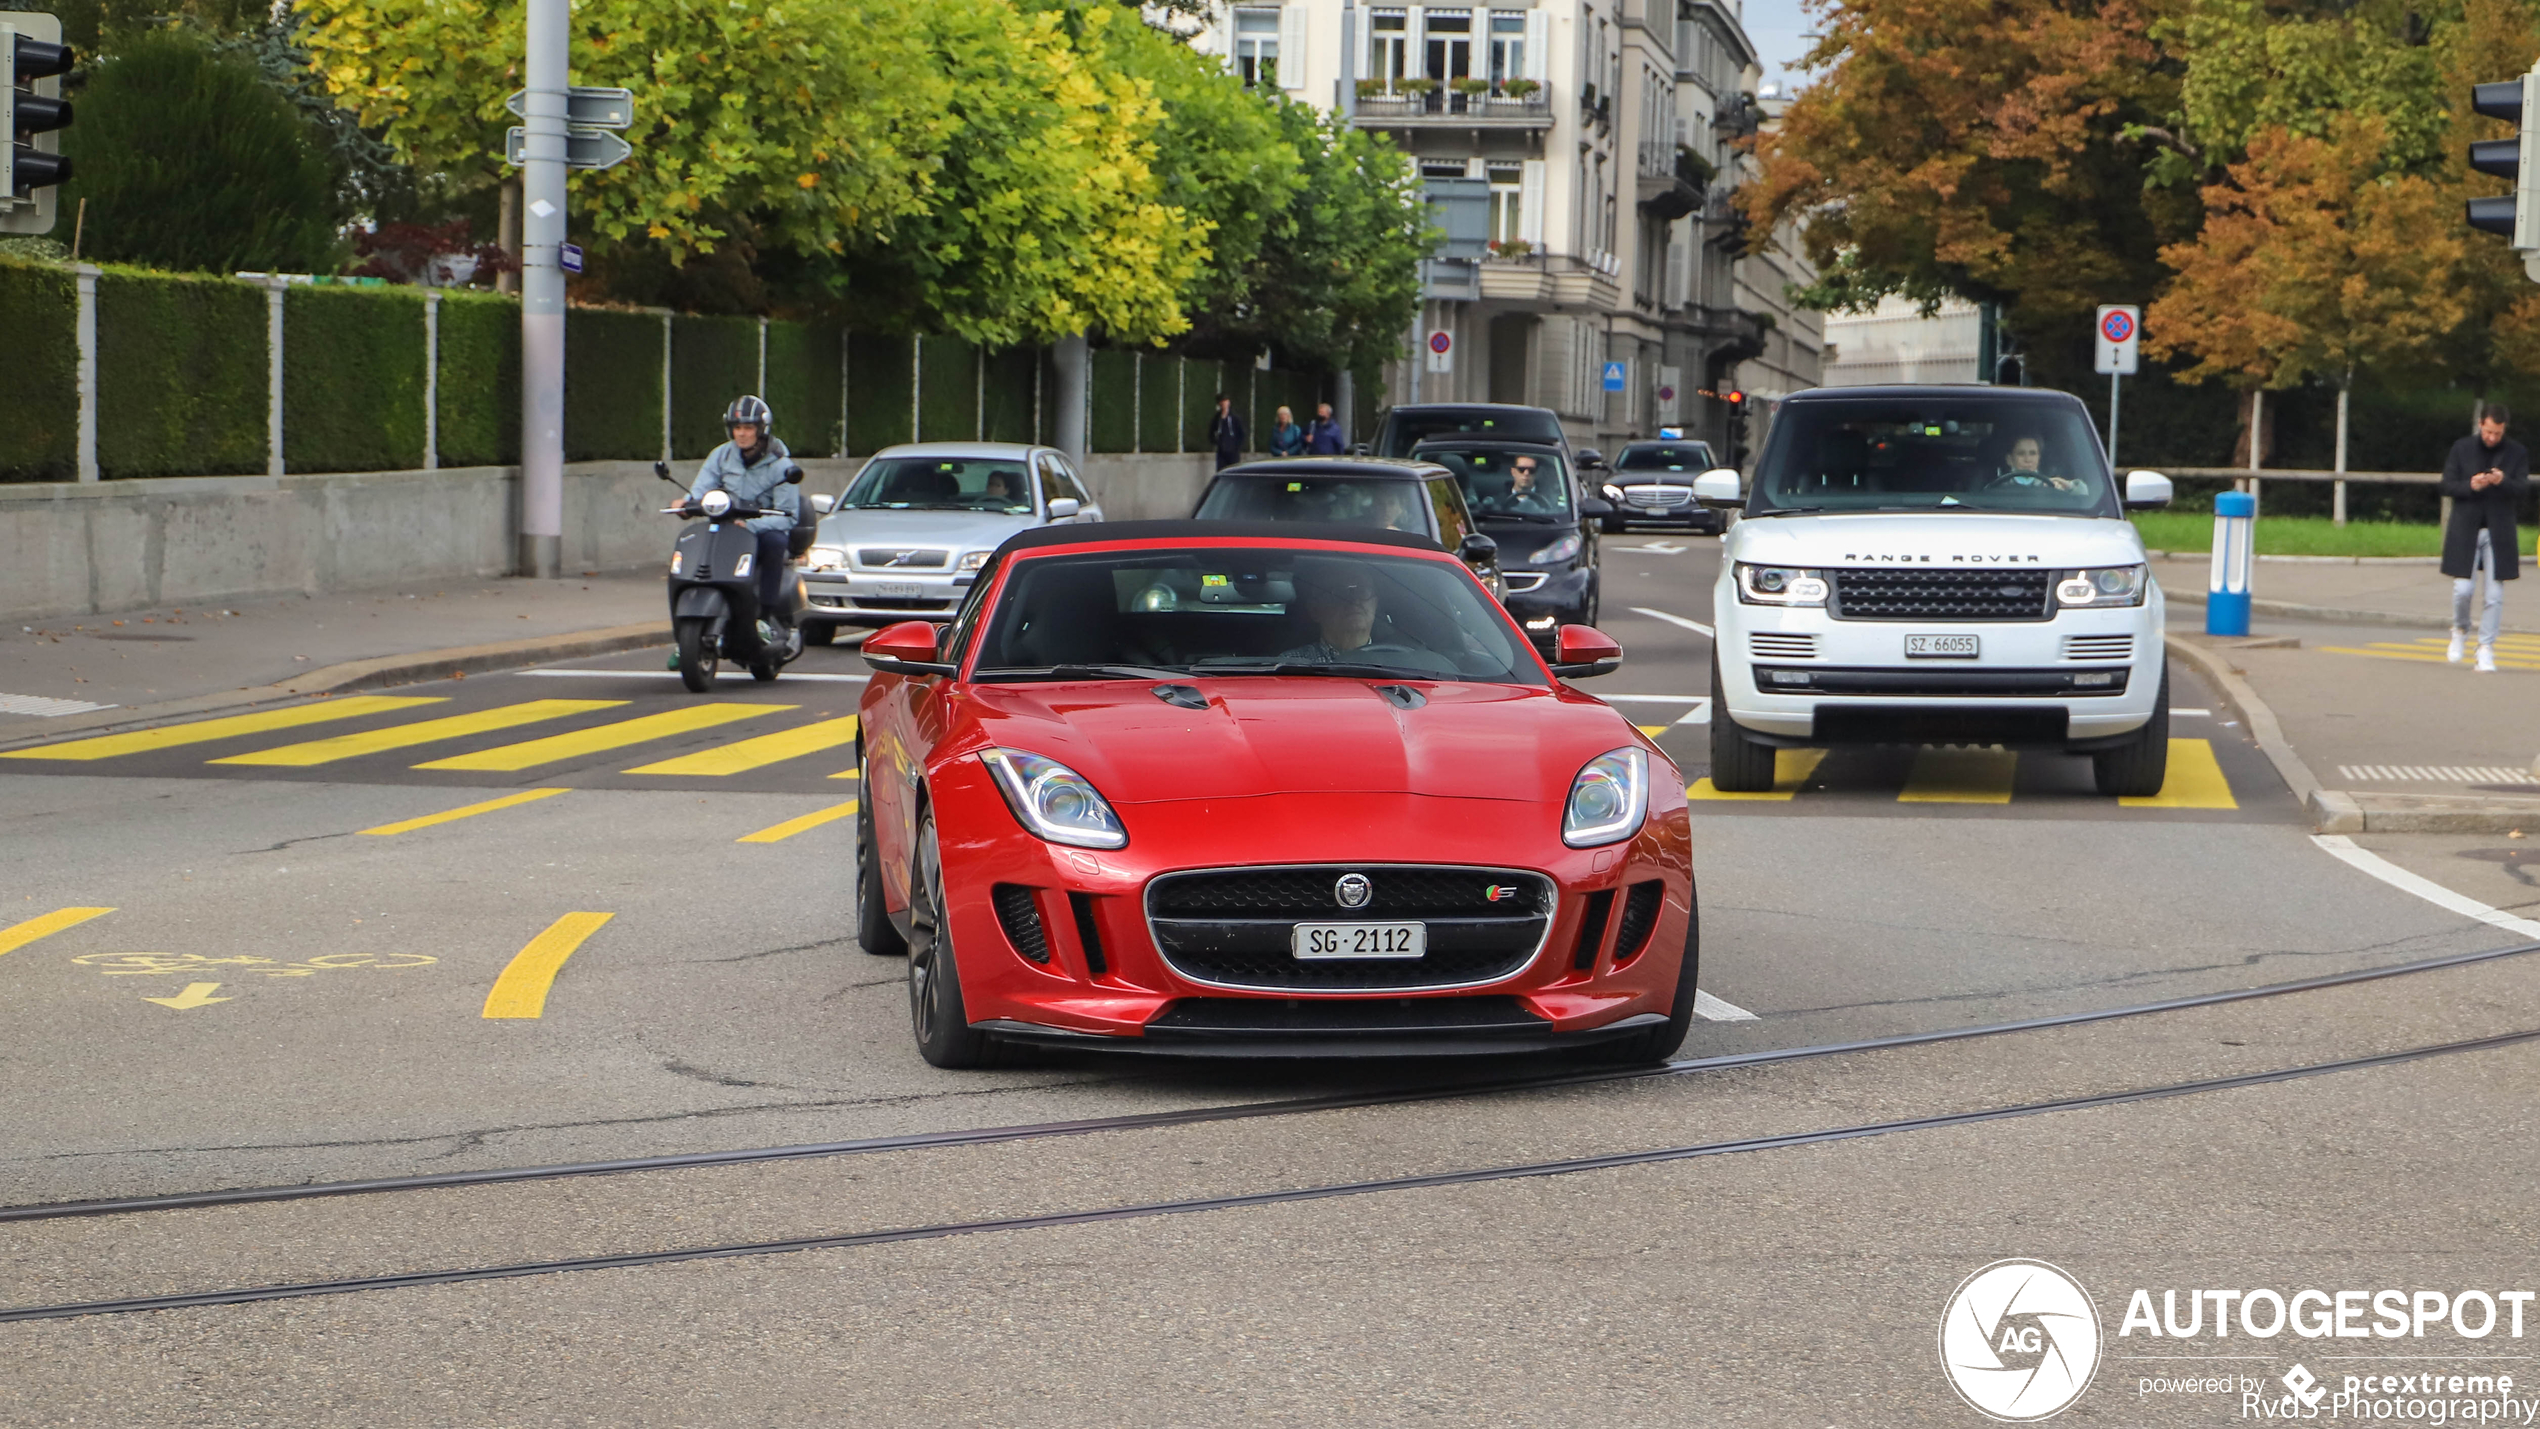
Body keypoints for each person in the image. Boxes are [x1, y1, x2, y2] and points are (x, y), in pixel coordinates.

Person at [687, 394, 800, 636]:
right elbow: (702, 486)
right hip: (726, 524)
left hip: (760, 530)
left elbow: (788, 516)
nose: (741, 433)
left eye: (748, 428)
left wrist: (750, 526)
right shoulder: (721, 455)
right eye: (737, 427)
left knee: (775, 541)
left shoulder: (781, 465)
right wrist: (688, 503)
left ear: (761, 429)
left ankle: (766, 617)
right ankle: (693, 619)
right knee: (697, 543)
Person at [2442, 404, 2529, 672]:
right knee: (2462, 589)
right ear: (2481, 424)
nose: (2492, 437)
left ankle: (2486, 648)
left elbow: (2522, 489)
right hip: (2466, 526)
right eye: (2489, 432)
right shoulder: (2462, 448)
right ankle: (2460, 629)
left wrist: (2502, 480)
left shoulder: (2517, 452)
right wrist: (2470, 485)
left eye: (2498, 433)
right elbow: (2446, 485)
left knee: (2494, 595)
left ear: (2504, 430)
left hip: (2498, 530)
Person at [1986, 434, 2085, 492]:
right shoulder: (1997, 488)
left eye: (2032, 453)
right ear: (2009, 459)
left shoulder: (2051, 486)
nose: (2028, 459)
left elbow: (2086, 497)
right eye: (2021, 453)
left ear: (2039, 458)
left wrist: (2069, 486)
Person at [1210, 394, 1247, 471]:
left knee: (1234, 471)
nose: (1224, 404)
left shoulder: (1234, 417)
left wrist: (1237, 446)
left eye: (1226, 401)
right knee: (1222, 471)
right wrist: (1217, 443)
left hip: (1233, 452)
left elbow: (1241, 433)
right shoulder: (1217, 418)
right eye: (1222, 401)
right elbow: (1211, 432)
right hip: (1221, 452)